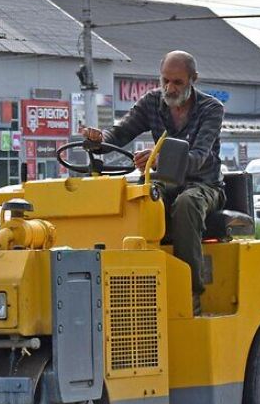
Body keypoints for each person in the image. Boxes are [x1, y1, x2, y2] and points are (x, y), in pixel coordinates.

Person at [82, 50, 224, 315]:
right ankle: (131, 291)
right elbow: (120, 132)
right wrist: (99, 139)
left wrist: (159, 159)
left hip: (203, 185)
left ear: (193, 79)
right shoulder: (151, 103)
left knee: (187, 203)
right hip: (164, 182)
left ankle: (190, 293)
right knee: (136, 198)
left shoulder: (211, 109)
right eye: (165, 80)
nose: (169, 88)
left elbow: (198, 157)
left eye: (177, 82)